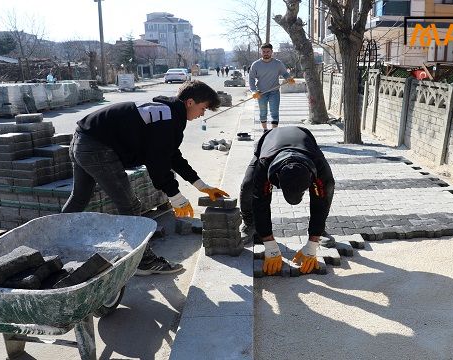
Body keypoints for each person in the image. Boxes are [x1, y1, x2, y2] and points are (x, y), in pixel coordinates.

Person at [62, 80, 229, 275]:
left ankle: (57, 241)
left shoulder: (168, 113)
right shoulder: (168, 119)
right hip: (97, 148)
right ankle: (144, 261)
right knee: (130, 206)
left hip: (82, 140)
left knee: (79, 197)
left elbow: (172, 155)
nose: (202, 114)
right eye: (203, 108)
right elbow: (157, 163)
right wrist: (175, 196)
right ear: (190, 102)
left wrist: (201, 185)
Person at [239, 126, 335, 275]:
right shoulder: (265, 164)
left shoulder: (319, 166)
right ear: (276, 179)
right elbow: (260, 203)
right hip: (270, 142)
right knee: (248, 186)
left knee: (325, 193)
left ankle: (320, 230)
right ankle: (249, 223)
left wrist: (312, 244)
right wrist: (269, 245)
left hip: (305, 142)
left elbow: (321, 203)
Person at [249, 43, 295, 132]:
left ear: (272, 52)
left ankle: (274, 132)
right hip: (261, 93)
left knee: (274, 113)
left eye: (268, 51)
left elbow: (285, 73)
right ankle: (265, 130)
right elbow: (251, 79)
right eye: (264, 51)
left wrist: (288, 78)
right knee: (263, 113)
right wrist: (253, 91)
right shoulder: (255, 65)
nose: (266, 53)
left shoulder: (278, 63)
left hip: (274, 92)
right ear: (261, 52)